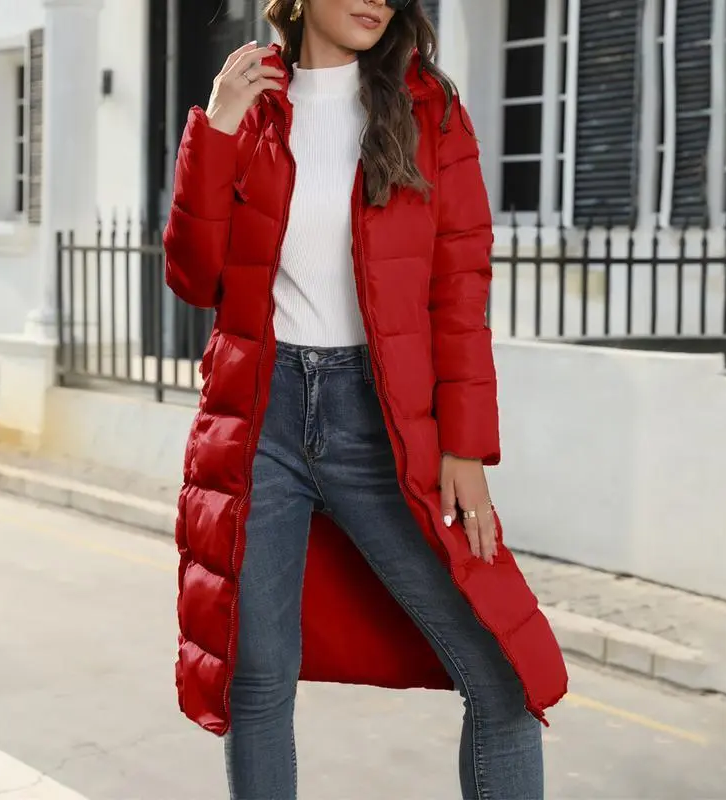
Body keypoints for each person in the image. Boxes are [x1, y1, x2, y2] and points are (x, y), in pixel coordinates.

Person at [163, 1, 568, 797]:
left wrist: (466, 447)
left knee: (502, 677)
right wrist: (216, 129)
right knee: (258, 681)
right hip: (261, 421)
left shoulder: (429, 111)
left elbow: (459, 291)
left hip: (384, 426)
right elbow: (194, 276)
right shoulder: (251, 108)